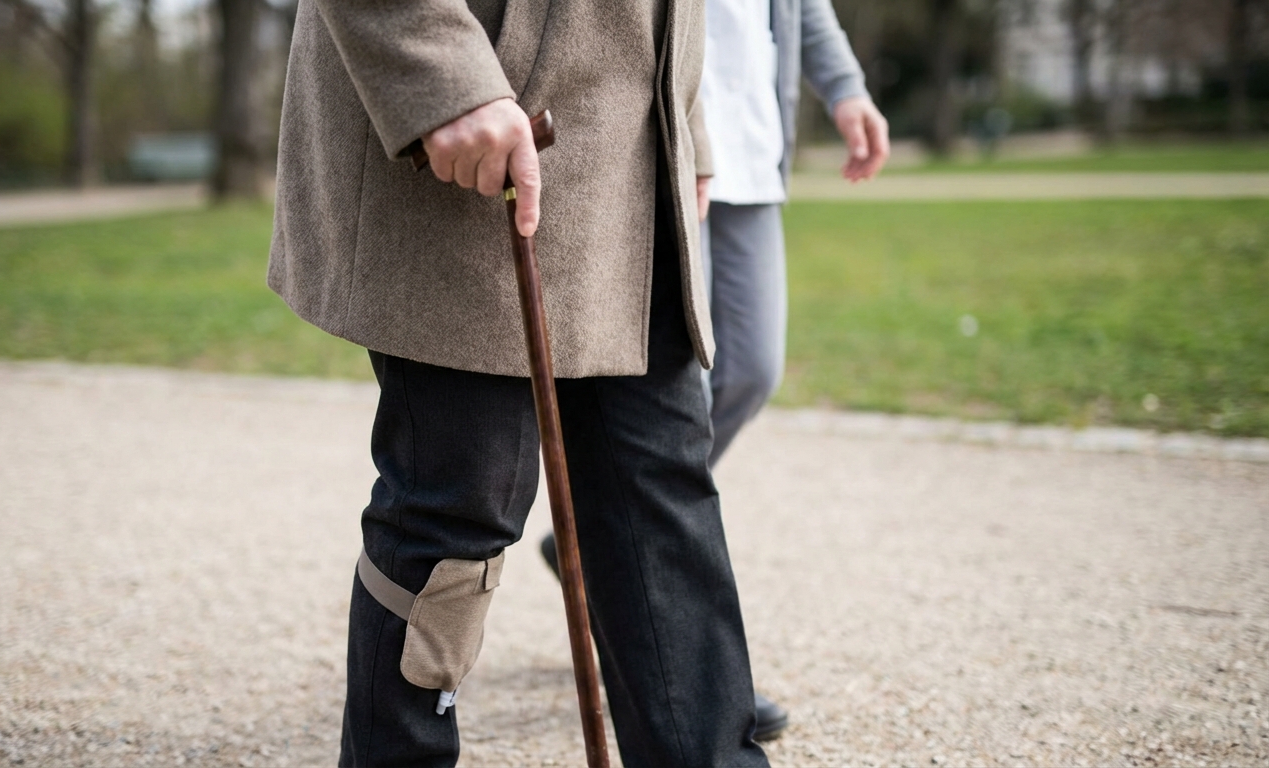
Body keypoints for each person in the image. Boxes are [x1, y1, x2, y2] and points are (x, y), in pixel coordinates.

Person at [267, 0, 770, 766]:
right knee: (460, 508)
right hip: (474, 132)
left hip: (633, 152)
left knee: (661, 494)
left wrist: (684, 120)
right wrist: (440, 74)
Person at [538, 0, 890, 743]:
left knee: (754, 369)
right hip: (655, 149)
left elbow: (806, 11)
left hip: (750, 150)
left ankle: (619, 561)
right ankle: (684, 668)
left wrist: (847, 89)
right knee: (669, 411)